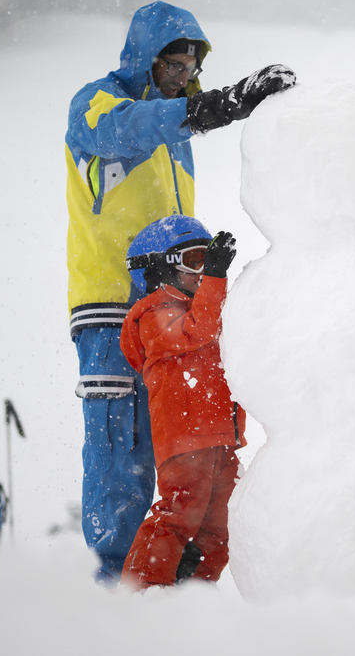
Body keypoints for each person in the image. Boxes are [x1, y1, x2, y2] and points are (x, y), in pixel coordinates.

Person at [63, 0, 292, 584]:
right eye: (173, 63)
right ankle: (113, 588)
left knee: (181, 448)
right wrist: (217, 106)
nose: (184, 75)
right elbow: (127, 130)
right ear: (145, 58)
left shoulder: (178, 135)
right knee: (122, 448)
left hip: (173, 311)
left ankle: (177, 590)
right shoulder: (99, 105)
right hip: (111, 306)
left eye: (192, 65)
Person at [117, 216, 245, 589]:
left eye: (209, 260)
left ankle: (193, 599)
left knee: (222, 525)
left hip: (222, 436)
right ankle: (139, 593)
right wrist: (218, 277)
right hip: (186, 437)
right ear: (159, 268)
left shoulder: (209, 305)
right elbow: (197, 329)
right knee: (181, 511)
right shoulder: (153, 313)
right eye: (194, 261)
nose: (203, 271)